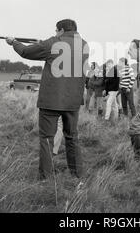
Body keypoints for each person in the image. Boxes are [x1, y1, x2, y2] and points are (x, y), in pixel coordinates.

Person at [6, 19, 89, 179]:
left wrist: (14, 42)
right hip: (72, 100)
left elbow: (26, 52)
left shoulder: (53, 42)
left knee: (46, 139)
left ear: (61, 30)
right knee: (72, 137)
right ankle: (77, 175)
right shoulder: (84, 45)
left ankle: (46, 178)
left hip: (51, 100)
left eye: (56, 31)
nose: (55, 33)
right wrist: (43, 43)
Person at [104, 59, 120, 125]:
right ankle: (116, 117)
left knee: (108, 103)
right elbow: (106, 81)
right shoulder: (110, 71)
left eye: (109, 64)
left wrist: (115, 90)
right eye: (107, 64)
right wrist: (107, 91)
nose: (108, 65)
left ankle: (106, 119)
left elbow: (116, 81)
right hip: (111, 90)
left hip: (113, 90)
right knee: (114, 104)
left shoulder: (115, 70)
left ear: (112, 63)